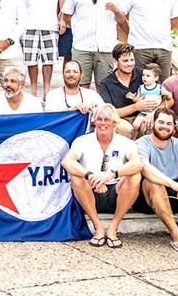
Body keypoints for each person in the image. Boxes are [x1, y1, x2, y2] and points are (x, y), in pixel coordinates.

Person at [61, 104, 143, 248]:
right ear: (94, 121)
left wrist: (111, 175)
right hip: (90, 192)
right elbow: (67, 162)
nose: (103, 123)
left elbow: (138, 164)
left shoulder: (126, 143)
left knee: (134, 176)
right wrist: (90, 175)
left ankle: (113, 229)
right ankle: (98, 228)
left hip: (116, 192)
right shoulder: (83, 141)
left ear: (114, 122)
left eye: (107, 119)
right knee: (76, 177)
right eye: (99, 119)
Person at [134, 107, 178, 253]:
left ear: (174, 127)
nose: (164, 126)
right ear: (153, 123)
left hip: (175, 196)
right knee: (154, 182)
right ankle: (176, 234)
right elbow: (145, 168)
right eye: (161, 122)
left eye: (169, 124)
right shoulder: (142, 143)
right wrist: (176, 185)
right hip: (147, 198)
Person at [60, 0, 126, 87]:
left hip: (106, 47)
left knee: (105, 87)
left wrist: (116, 10)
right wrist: (78, 29)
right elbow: (66, 14)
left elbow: (121, 20)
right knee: (80, 85)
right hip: (82, 46)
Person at [15, 0, 67, 98]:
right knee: (31, 60)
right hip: (28, 24)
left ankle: (46, 91)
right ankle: (33, 91)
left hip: (50, 24)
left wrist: (62, 19)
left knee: (48, 60)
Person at [118, 0, 178, 80]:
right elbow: (120, 16)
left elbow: (175, 20)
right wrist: (130, 32)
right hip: (139, 47)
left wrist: (160, 30)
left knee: (164, 85)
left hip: (164, 47)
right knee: (138, 83)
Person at [98, 43, 157, 139]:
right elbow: (108, 113)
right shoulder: (106, 83)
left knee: (150, 125)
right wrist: (136, 107)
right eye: (125, 61)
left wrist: (153, 113)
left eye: (132, 60)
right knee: (126, 129)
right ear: (116, 61)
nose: (130, 64)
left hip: (143, 116)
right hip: (120, 119)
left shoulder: (143, 74)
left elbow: (168, 100)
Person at [128, 63, 172, 135]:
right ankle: (134, 139)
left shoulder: (159, 87)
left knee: (153, 126)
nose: (144, 77)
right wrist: (133, 98)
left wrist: (166, 93)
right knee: (135, 125)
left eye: (148, 76)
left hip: (157, 112)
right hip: (143, 112)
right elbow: (137, 100)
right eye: (143, 75)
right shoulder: (141, 88)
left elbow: (170, 97)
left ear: (156, 78)